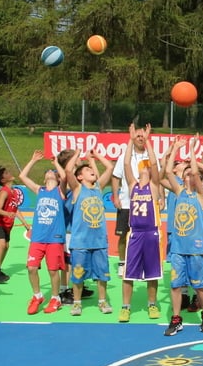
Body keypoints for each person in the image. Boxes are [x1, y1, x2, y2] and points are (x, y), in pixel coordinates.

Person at [162, 137, 203, 335]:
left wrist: (193, 149)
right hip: (178, 248)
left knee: (199, 286)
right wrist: (175, 148)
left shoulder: (200, 195)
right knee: (175, 285)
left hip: (195, 249)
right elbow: (168, 171)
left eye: (191, 174)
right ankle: (176, 319)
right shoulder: (179, 192)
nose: (188, 175)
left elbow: (195, 172)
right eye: (185, 174)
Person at [119, 124, 166, 322]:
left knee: (152, 273)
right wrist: (131, 140)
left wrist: (147, 141)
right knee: (128, 273)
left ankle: (152, 304)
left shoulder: (154, 186)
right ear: (140, 170)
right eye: (145, 167)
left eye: (148, 167)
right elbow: (126, 163)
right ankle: (125, 307)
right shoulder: (133, 185)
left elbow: (154, 163)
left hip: (151, 233)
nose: (147, 168)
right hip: (136, 233)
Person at [63, 149, 115, 317]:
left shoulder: (98, 188)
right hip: (80, 241)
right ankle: (77, 303)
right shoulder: (78, 189)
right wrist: (77, 153)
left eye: (91, 169)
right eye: (87, 170)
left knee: (102, 274)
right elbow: (68, 170)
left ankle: (102, 301)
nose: (92, 170)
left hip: (99, 241)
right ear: (80, 177)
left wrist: (96, 156)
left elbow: (110, 167)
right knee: (78, 274)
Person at [18, 149, 68, 315]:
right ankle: (37, 296)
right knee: (31, 268)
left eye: (53, 172)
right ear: (44, 178)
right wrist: (33, 160)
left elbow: (65, 176)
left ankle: (55, 298)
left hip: (54, 238)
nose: (50, 172)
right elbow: (22, 176)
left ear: (57, 178)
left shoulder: (60, 191)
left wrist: (56, 163)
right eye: (47, 172)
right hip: (38, 237)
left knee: (53, 270)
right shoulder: (40, 190)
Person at [112, 124, 153, 277]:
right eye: (138, 136)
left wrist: (161, 197)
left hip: (146, 203)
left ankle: (142, 262)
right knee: (123, 235)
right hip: (126, 202)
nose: (140, 138)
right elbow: (115, 177)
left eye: (143, 136)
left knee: (144, 235)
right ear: (133, 138)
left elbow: (157, 178)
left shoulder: (150, 156)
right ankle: (122, 263)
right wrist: (116, 196)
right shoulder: (124, 157)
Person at [0, 166, 29, 285]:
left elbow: (16, 209)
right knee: (1, 245)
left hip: (6, 223)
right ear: (3, 180)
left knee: (6, 246)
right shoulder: (4, 192)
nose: (9, 173)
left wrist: (25, 223)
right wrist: (7, 213)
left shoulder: (13, 192)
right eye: (6, 173)